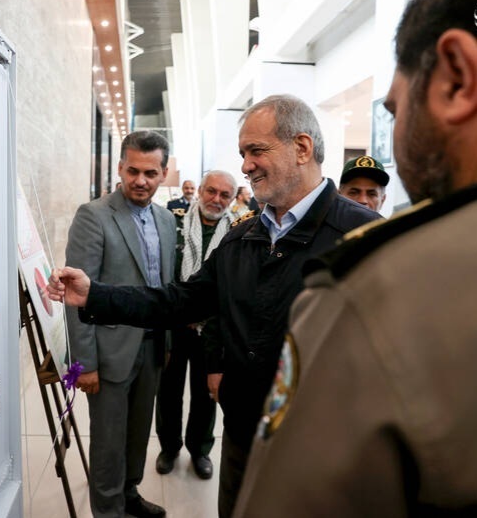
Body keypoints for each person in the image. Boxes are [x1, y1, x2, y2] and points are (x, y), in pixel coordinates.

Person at [48, 94, 380, 518]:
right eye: (243, 154)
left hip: (319, 448)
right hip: (242, 435)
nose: (246, 166)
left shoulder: (364, 238)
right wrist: (95, 295)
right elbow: (180, 300)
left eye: (256, 150)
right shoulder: (243, 237)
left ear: (301, 148)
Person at [233, 0, 477, 516]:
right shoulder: (247, 232)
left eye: (396, 108)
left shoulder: (371, 281)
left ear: (457, 78)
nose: (247, 166)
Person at [65, 130, 176, 518]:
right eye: (133, 171)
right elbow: (75, 296)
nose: (140, 181)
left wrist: (166, 342)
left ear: (164, 173)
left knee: (137, 432)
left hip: (153, 346)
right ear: (120, 168)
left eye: (150, 173)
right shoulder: (93, 216)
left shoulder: (167, 220)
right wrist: (85, 363)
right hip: (109, 352)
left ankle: (129, 494)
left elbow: (165, 287)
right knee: (109, 441)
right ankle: (108, 510)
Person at [155, 170, 236, 480]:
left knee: (206, 394)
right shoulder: (173, 224)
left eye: (224, 195)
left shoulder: (237, 232)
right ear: (200, 191)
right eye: (211, 191)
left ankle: (200, 450)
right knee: (168, 390)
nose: (216, 199)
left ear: (232, 199)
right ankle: (169, 447)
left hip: (212, 330)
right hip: (174, 326)